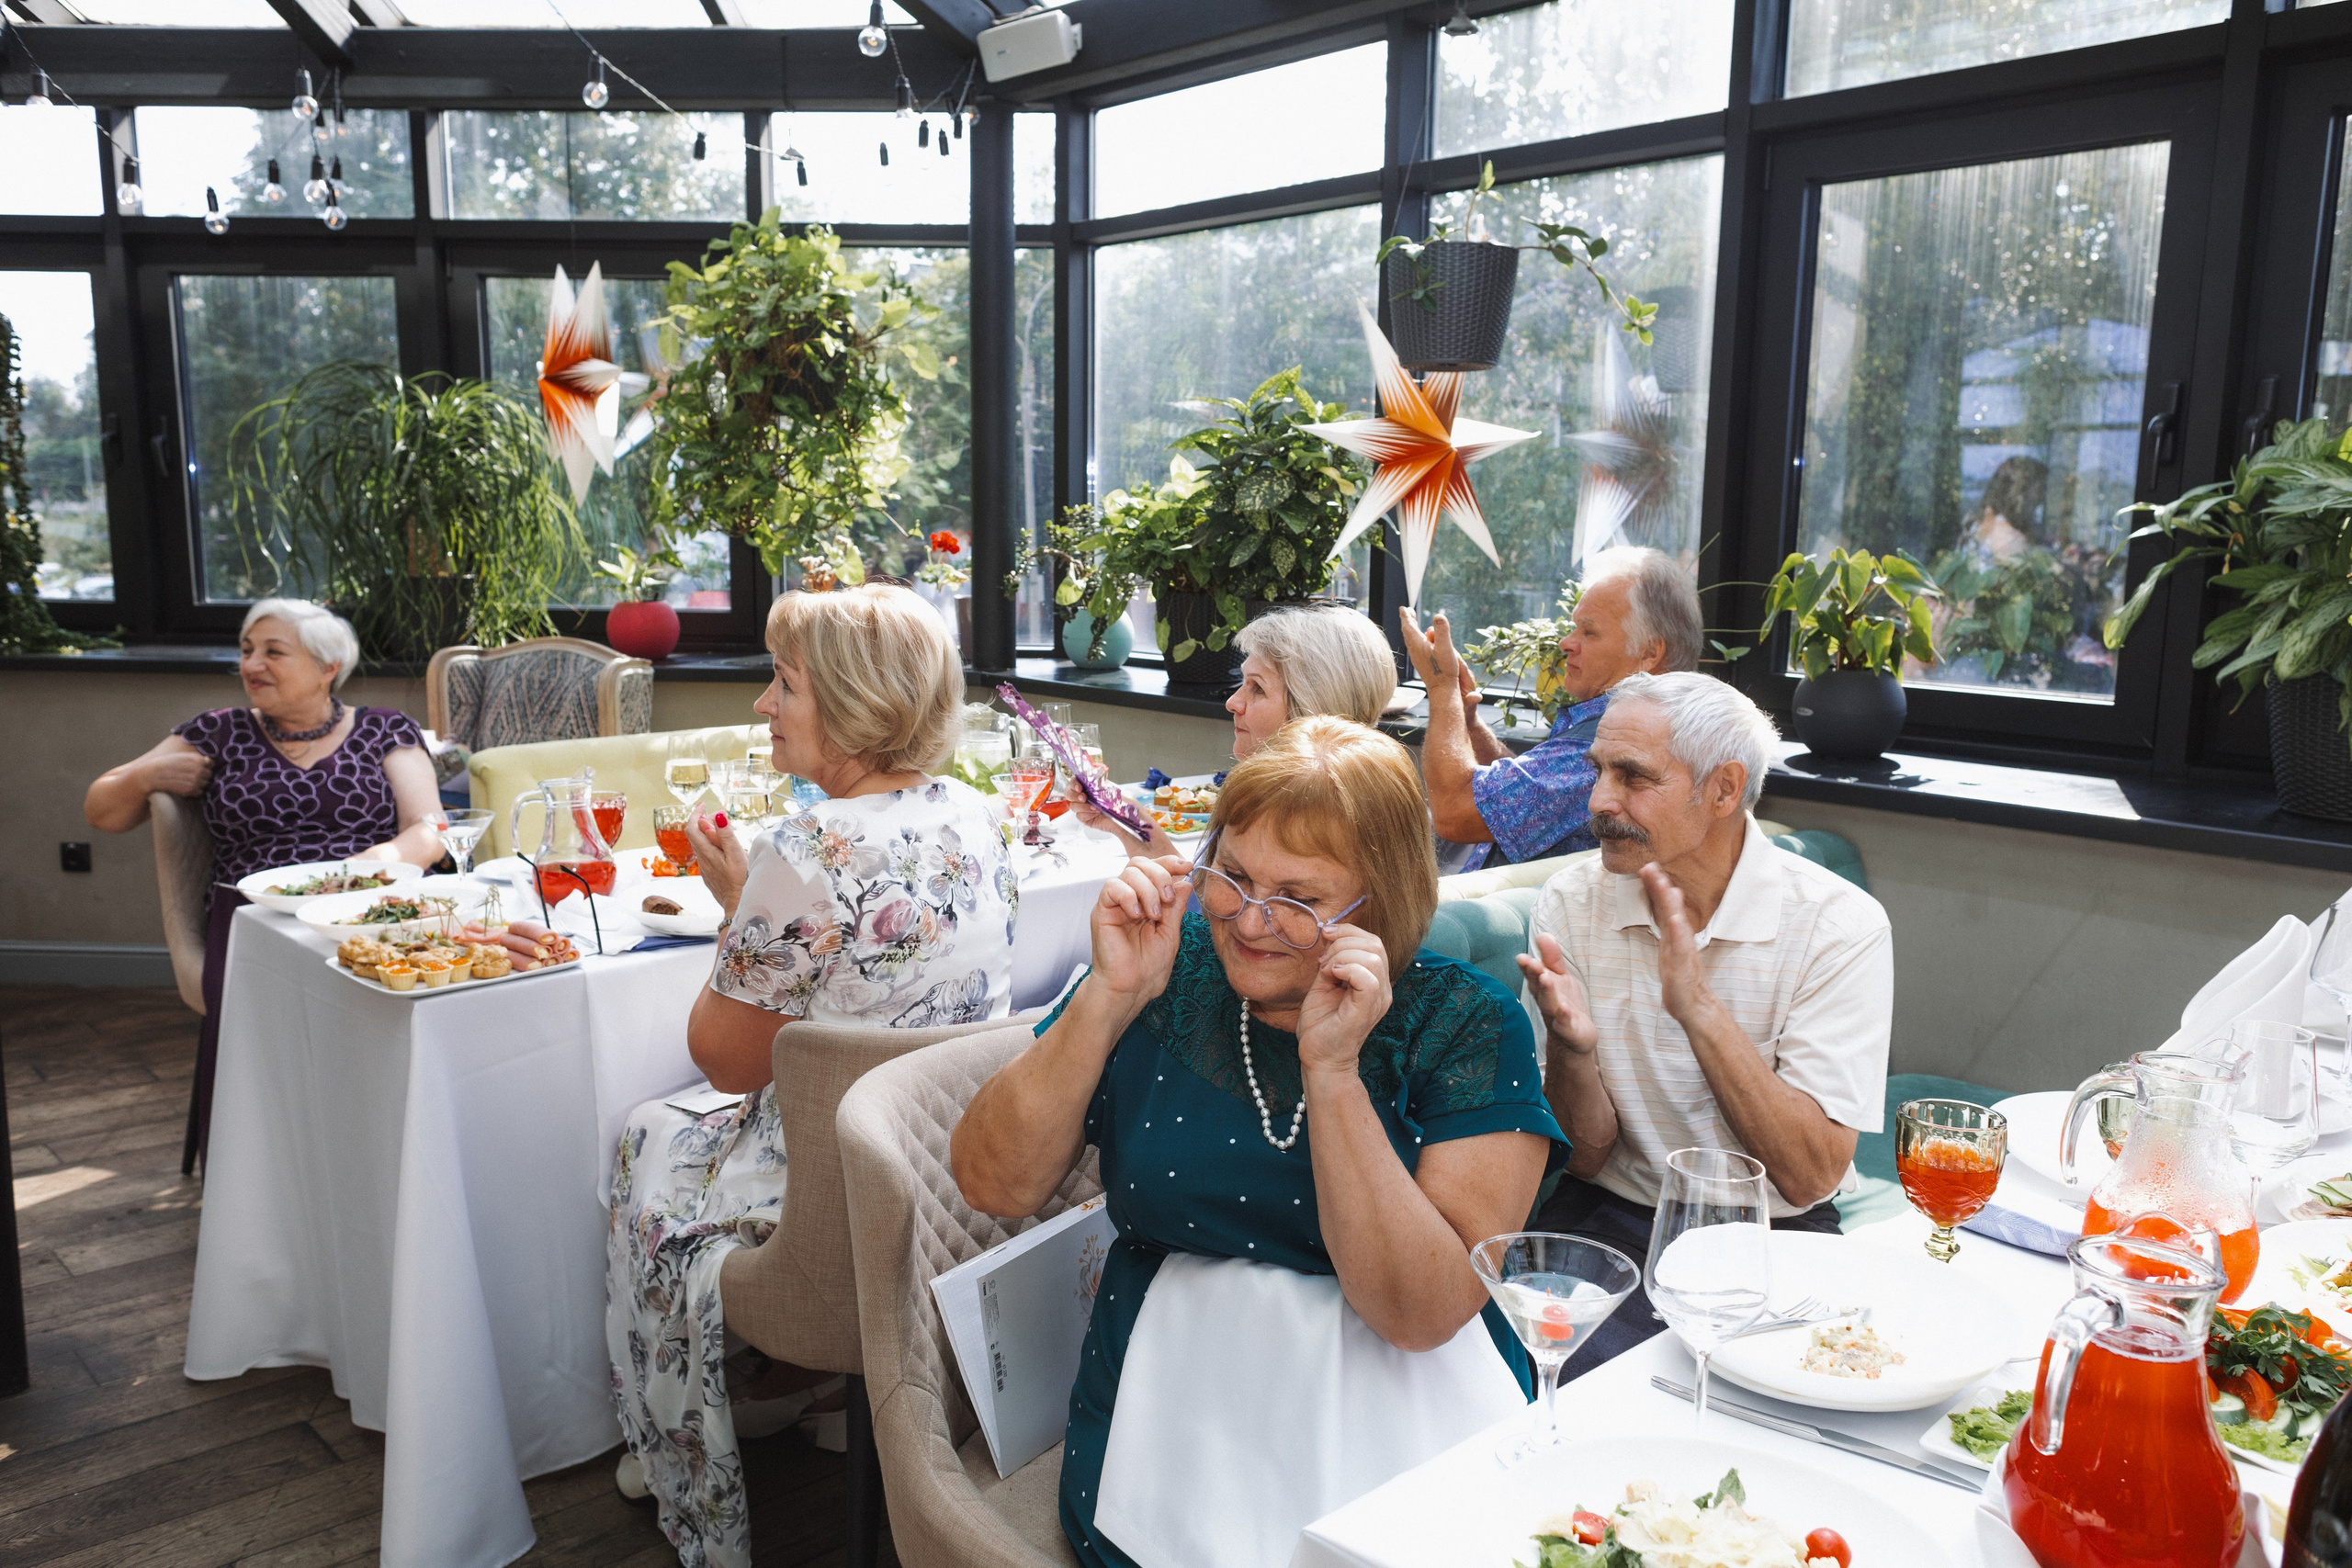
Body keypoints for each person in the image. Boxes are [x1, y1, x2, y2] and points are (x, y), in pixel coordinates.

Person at [953, 716, 1566, 1568]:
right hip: (1174, 1390)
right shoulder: (1170, 966)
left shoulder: (1466, 1021)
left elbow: (1422, 1314)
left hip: (1406, 1398)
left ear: (1378, 904)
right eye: (1232, 875)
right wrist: (1109, 995)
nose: (1248, 920)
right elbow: (991, 1182)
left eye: (1299, 898)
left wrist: (1335, 1068)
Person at [605, 583, 1019, 1568]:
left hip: (832, 1183)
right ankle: (828, 1392)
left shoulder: (802, 845)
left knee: (642, 1133)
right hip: (951, 1159)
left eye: (782, 683)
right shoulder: (980, 811)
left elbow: (729, 1058)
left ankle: (681, 1437)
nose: (763, 705)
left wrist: (741, 913)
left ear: (848, 699)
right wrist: (754, 908)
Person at [1517, 671, 1891, 1371]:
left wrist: (1697, 1009)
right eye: (1598, 769)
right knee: (1506, 1373)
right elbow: (1587, 1155)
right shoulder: (1571, 902)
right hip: (1611, 1215)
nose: (1599, 801)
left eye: (1633, 776)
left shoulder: (1839, 927)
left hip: (1774, 1233)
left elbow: (1808, 1177)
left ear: (1722, 789)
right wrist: (1571, 1051)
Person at [84, 598, 441, 1173]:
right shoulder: (218, 732)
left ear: (328, 667)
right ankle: (275, 1166)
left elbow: (430, 829)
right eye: (247, 651)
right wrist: (147, 776)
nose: (252, 665)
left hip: (364, 907)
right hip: (254, 921)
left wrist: (376, 864)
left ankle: (386, 1150)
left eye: (274, 652)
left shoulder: (383, 729)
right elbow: (101, 808)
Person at [1400, 546, 1702, 874]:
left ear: (1650, 652)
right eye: (1574, 628)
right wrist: (1468, 723)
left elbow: (1455, 813)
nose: (1567, 642)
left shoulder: (1616, 746)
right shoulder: (1629, 725)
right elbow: (1523, 798)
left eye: (1589, 631)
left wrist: (1441, 688)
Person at [1072, 604, 1399, 854]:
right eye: (1242, 683)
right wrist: (1128, 819)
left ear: (1313, 708)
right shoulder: (1281, 798)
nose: (1233, 703)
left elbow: (1207, 926)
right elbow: (1203, 908)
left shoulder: (1312, 821)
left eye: (1257, 688)